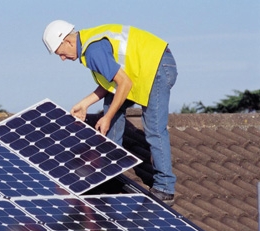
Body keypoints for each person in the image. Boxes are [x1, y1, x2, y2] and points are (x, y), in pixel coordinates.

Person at [42, 20, 177, 205]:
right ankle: (109, 172)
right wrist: (85, 103)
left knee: (153, 128)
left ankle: (165, 187)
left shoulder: (93, 51)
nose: (62, 59)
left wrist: (107, 117)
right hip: (145, 69)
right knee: (110, 109)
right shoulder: (89, 46)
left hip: (158, 66)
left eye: (61, 53)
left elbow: (124, 83)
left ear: (68, 42)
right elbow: (110, 84)